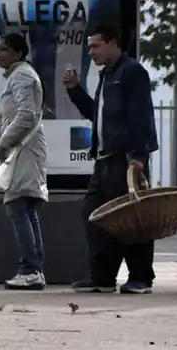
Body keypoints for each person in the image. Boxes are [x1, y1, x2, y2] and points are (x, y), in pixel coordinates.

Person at [62, 24, 158, 294]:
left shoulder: (132, 72)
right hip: (104, 160)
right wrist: (74, 90)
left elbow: (141, 115)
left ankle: (140, 277)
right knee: (94, 216)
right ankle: (102, 277)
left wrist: (139, 156)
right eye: (90, 46)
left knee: (133, 220)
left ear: (113, 43)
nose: (91, 51)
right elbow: (98, 115)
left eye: (96, 45)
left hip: (125, 159)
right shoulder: (108, 75)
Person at [0, 32, 48, 291]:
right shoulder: (19, 75)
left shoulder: (22, 75)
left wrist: (4, 142)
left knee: (17, 206)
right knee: (24, 207)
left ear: (17, 52)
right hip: (24, 149)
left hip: (23, 150)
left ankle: (30, 269)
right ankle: (33, 267)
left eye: (3, 50)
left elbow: (26, 114)